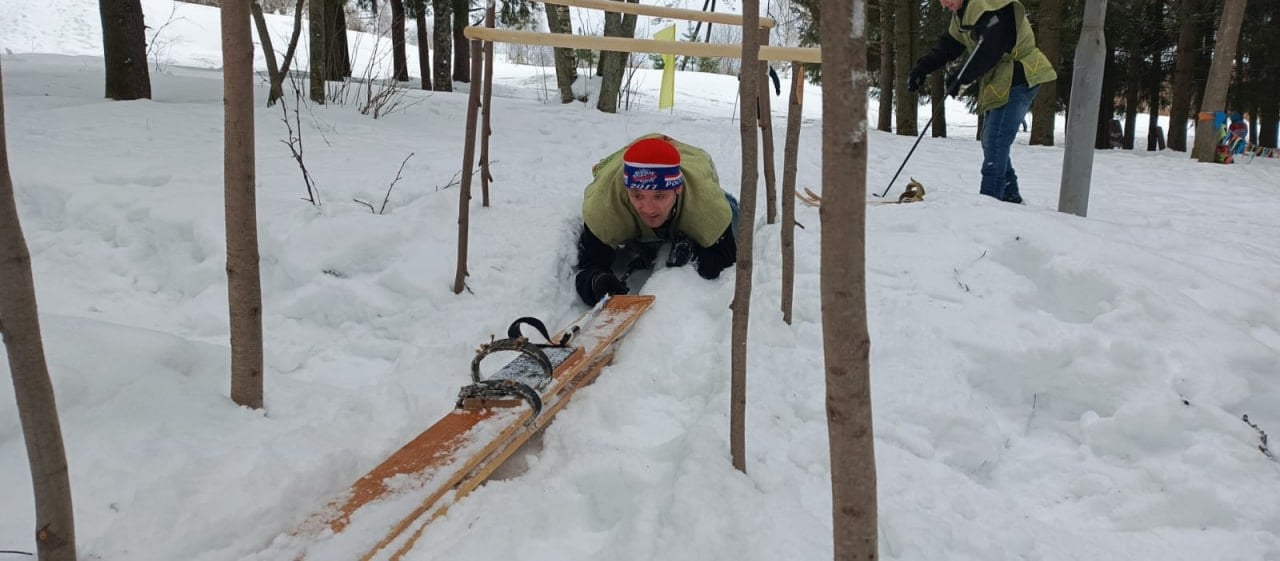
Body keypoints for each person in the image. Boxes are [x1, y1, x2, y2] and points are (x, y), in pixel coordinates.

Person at [906, 0, 1057, 204]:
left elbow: (989, 49)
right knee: (991, 141)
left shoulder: (990, 6)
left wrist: (962, 77)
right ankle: (1009, 196)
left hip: (1021, 75)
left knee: (995, 140)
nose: (944, 3)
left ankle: (990, 203)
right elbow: (948, 46)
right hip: (1001, 78)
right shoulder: (963, 12)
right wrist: (922, 69)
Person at [573, 134, 739, 306]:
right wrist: (597, 281)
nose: (648, 209)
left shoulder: (706, 204)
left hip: (692, 160)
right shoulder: (604, 205)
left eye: (659, 196)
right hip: (619, 161)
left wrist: (693, 254)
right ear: (626, 188)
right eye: (637, 195)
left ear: (678, 188)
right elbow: (588, 264)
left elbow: (725, 260)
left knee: (734, 220)